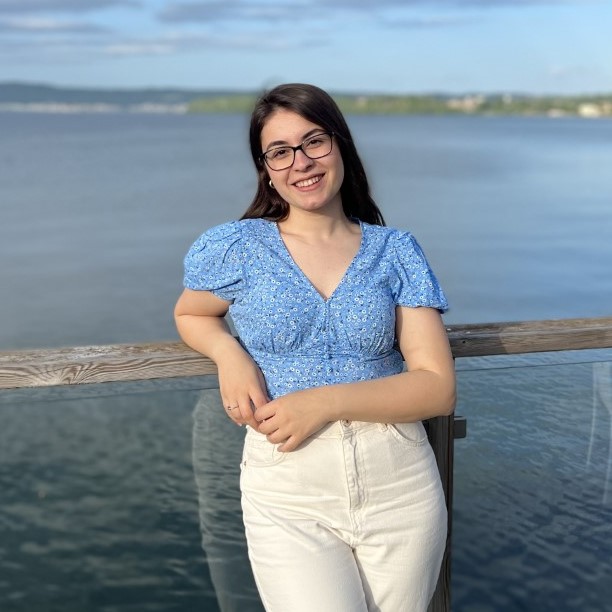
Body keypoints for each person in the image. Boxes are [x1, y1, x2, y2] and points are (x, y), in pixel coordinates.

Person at [174, 83, 456, 612]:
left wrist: (322, 402)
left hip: (399, 480)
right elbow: (191, 313)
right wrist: (229, 355)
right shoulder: (238, 247)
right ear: (266, 168)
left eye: (314, 142)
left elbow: (437, 387)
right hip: (288, 483)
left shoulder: (395, 251)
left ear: (340, 145)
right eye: (279, 151)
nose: (300, 162)